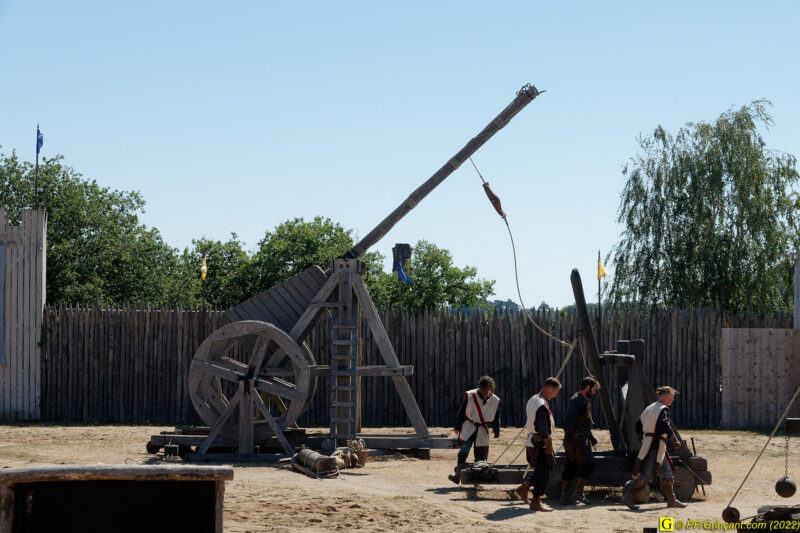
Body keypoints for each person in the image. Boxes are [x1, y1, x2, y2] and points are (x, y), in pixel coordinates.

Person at [621, 386, 688, 510]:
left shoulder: (649, 408)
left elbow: (638, 424)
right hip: (655, 445)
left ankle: (672, 500)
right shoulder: (663, 409)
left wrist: (643, 438)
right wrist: (675, 440)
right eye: (672, 397)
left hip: (652, 444)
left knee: (667, 474)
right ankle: (628, 496)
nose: (672, 400)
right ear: (666, 395)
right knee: (646, 476)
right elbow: (664, 426)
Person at [515, 377, 561, 512]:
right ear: (550, 388)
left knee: (541, 471)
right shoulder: (541, 404)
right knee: (545, 472)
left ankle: (524, 487)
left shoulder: (533, 399)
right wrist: (549, 449)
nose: (555, 394)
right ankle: (536, 501)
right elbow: (543, 428)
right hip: (540, 443)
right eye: (556, 391)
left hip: (533, 441)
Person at [448, 376, 501, 484]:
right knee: (463, 451)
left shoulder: (495, 400)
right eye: (483, 390)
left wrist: (497, 430)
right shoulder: (471, 395)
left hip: (482, 428)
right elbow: (462, 411)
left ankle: (479, 478)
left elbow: (496, 415)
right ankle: (458, 475)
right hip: (469, 426)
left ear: (490, 388)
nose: (485, 392)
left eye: (486, 390)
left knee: (481, 455)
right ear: (479, 387)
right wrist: (458, 427)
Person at [560, 376, 599, 505]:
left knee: (572, 465)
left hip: (577, 438)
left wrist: (590, 437)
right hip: (577, 439)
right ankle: (578, 494)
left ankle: (566, 496)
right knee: (589, 464)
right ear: (587, 387)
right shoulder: (578, 401)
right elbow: (568, 422)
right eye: (593, 389)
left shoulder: (583, 399)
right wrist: (573, 439)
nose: (594, 393)